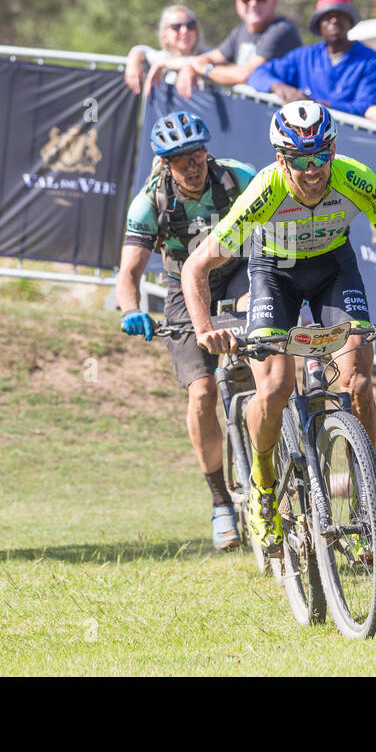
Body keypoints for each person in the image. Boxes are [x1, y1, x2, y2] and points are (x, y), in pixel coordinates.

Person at [181, 101, 376, 556]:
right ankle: (263, 486)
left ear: (333, 150)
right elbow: (196, 266)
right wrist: (205, 328)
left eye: (320, 157)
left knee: (358, 384)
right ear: (281, 159)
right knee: (274, 387)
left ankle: (364, 499)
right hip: (276, 273)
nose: (312, 170)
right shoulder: (263, 192)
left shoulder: (356, 178)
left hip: (335, 268)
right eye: (299, 159)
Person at [116, 112, 257, 550]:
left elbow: (275, 234)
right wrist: (131, 310)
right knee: (201, 393)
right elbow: (128, 273)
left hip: (237, 273)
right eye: (180, 160)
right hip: (183, 286)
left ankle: (273, 471)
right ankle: (220, 502)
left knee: (266, 362)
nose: (192, 166)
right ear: (164, 164)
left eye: (196, 154)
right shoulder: (149, 202)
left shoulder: (239, 179)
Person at [246, 0, 376, 118]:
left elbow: (368, 106)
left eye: (340, 15)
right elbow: (257, 74)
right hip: (306, 139)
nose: (334, 21)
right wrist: (279, 87)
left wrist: (320, 107)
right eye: (327, 17)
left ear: (350, 21)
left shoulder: (371, 60)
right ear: (319, 25)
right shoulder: (303, 57)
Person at [165, 0, 303, 99]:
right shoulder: (240, 30)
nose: (253, 3)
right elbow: (212, 57)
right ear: (238, 4)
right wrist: (190, 67)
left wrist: (204, 69)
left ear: (274, 1)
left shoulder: (282, 30)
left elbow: (245, 74)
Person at [123, 5, 204, 96]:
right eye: (176, 27)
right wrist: (134, 59)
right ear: (164, 34)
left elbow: (201, 63)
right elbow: (141, 50)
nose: (184, 30)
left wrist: (163, 64)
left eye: (190, 26)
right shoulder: (163, 57)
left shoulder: (209, 56)